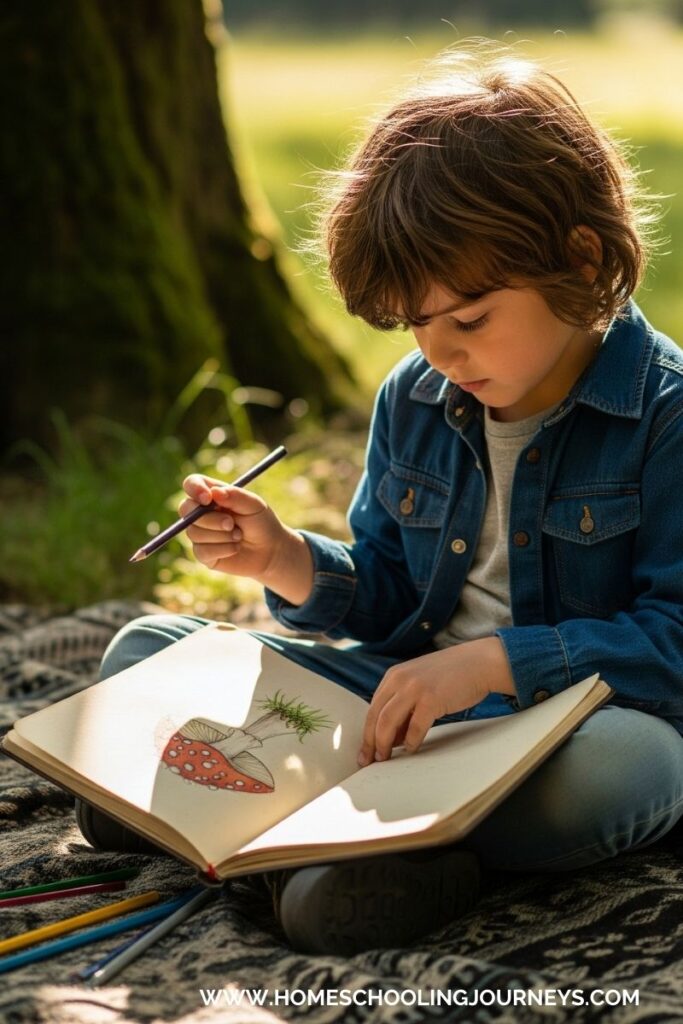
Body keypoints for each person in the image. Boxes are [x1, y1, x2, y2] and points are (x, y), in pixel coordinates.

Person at [76, 41, 683, 956]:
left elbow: (672, 643)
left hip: (557, 738)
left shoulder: (663, 415)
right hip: (399, 713)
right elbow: (393, 595)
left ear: (579, 257)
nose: (438, 353)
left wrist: (493, 665)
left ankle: (343, 840)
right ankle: (364, 847)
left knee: (629, 771)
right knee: (148, 652)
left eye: (468, 319)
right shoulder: (419, 395)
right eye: (414, 325)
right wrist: (286, 559)